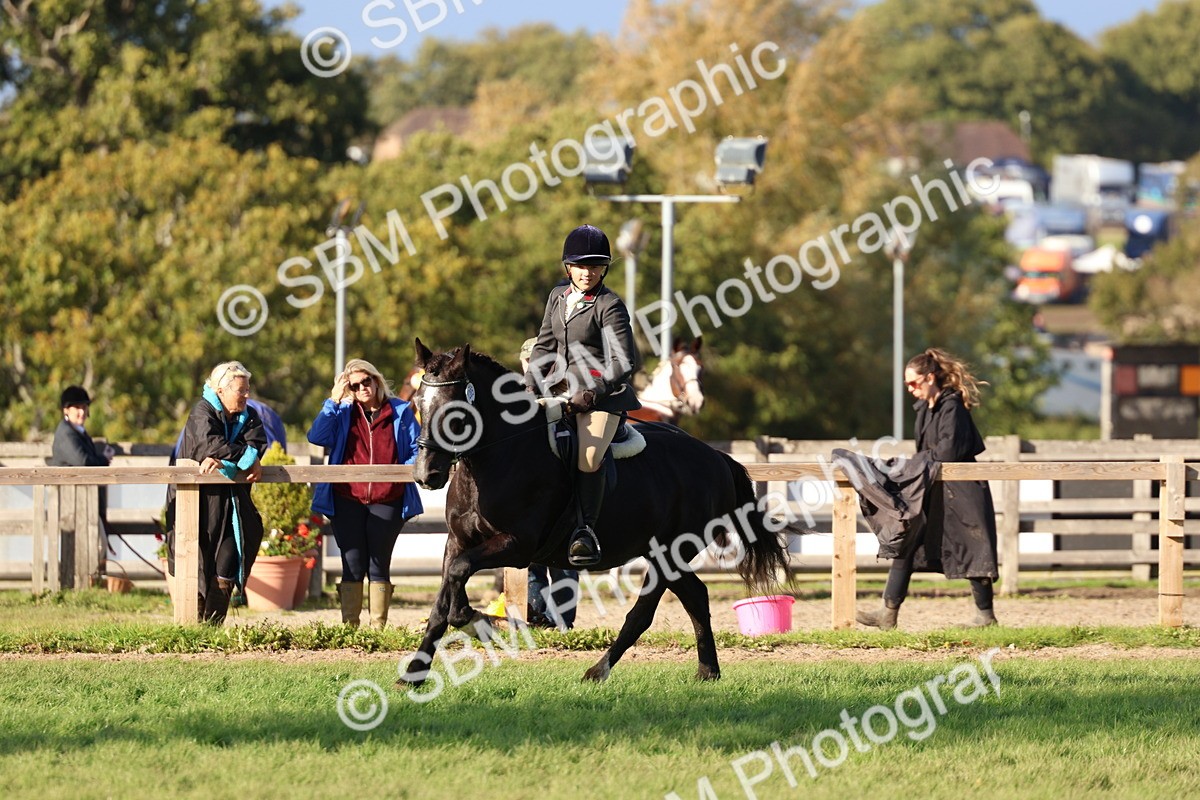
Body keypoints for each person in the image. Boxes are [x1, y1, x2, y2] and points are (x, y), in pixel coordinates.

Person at [857, 348, 1000, 630]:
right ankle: (888, 613)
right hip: (934, 487)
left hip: (964, 488)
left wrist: (914, 463)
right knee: (907, 543)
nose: (910, 389)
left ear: (930, 377)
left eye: (914, 383)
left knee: (974, 546)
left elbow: (948, 450)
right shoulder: (924, 410)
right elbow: (928, 452)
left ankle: (986, 616)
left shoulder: (953, 406)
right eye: (907, 384)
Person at [524, 224, 641, 567]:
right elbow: (544, 347)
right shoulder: (556, 298)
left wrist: (593, 393)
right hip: (559, 392)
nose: (588, 272)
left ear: (604, 268)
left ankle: (585, 531)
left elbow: (623, 361)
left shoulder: (610, 304)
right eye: (581, 265)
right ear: (568, 268)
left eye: (595, 266)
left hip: (603, 398)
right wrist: (529, 386)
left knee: (588, 457)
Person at [307, 358, 423, 629]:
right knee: (353, 564)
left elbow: (417, 451)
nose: (361, 388)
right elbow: (317, 436)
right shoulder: (343, 411)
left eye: (365, 381)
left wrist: (398, 474)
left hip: (388, 499)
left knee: (379, 564)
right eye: (355, 385)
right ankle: (351, 629)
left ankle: (378, 629)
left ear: (376, 380)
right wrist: (333, 400)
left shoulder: (401, 411)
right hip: (347, 499)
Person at [167, 361, 267, 624]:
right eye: (241, 390)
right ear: (221, 390)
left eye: (247, 390)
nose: (247, 395)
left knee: (228, 562)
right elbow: (207, 444)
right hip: (198, 502)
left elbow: (257, 444)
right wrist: (243, 456)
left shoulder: (250, 415)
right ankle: (193, 630)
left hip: (233, 504)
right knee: (199, 564)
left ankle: (212, 629)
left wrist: (226, 462)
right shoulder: (202, 411)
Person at [519, 337, 579, 628]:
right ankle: (537, 620)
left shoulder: (570, 393)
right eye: (531, 362)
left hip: (563, 497)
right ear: (523, 364)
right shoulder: (512, 400)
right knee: (532, 566)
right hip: (527, 500)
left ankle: (564, 625)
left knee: (564, 565)